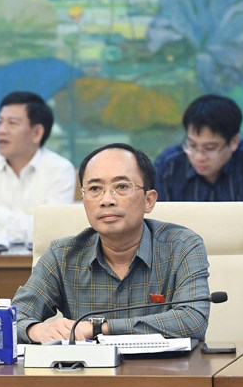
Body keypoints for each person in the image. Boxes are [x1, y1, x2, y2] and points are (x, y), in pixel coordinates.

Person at [14, 143, 210, 344]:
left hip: (166, 365)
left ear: (149, 200)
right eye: (95, 188)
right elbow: (11, 320)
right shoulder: (62, 255)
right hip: (87, 365)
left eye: (122, 187)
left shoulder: (182, 246)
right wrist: (37, 330)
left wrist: (97, 328)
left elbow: (193, 319)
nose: (106, 200)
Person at [0, 91, 76, 244]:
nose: (1, 130)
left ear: (37, 133)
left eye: (12, 123)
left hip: (43, 258)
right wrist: (29, 228)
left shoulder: (60, 170)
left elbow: (51, 232)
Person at [154, 94, 243, 210]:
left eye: (210, 148)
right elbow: (159, 221)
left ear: (234, 142)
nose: (199, 157)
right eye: (192, 145)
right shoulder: (168, 164)